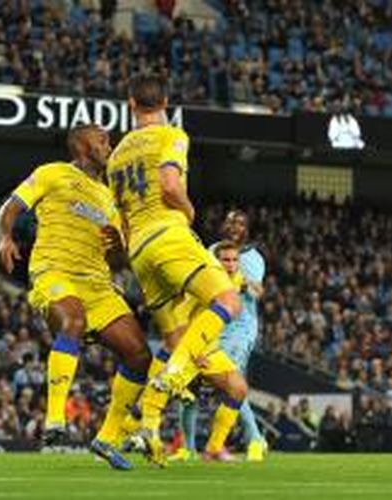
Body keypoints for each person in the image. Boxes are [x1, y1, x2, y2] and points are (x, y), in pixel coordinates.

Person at [0, 124, 152, 470]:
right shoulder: (52, 173)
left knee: (140, 355)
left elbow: (118, 261)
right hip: (54, 272)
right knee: (73, 321)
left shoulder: (110, 198)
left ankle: (106, 438)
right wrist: (6, 237)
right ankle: (54, 419)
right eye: (102, 140)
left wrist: (118, 250)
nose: (109, 145)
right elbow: (10, 208)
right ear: (81, 144)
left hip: (99, 284)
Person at [107, 73, 244, 467]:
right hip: (168, 234)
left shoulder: (117, 154)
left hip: (140, 252)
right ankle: (168, 381)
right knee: (227, 300)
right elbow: (169, 184)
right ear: (165, 101)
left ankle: (147, 424)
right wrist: (188, 210)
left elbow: (121, 220)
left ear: (131, 104)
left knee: (176, 337)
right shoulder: (172, 135)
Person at [172, 210, 268, 463]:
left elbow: (257, 292)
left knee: (231, 384)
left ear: (247, 228)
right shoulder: (212, 249)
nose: (234, 226)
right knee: (189, 382)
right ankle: (188, 448)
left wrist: (239, 281)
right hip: (210, 323)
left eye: (240, 222)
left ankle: (255, 439)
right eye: (230, 221)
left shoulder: (252, 258)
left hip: (239, 329)